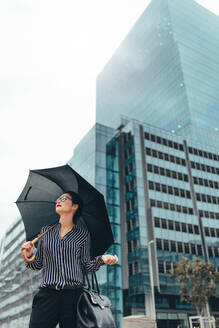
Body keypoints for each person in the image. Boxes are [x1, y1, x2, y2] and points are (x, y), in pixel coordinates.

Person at [21, 191, 118, 328]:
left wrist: (101, 259)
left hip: (73, 297)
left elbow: (86, 266)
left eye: (64, 198)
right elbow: (37, 264)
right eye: (58, 198)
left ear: (75, 206)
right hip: (47, 294)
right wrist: (29, 254)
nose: (58, 200)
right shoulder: (46, 232)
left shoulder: (82, 235)